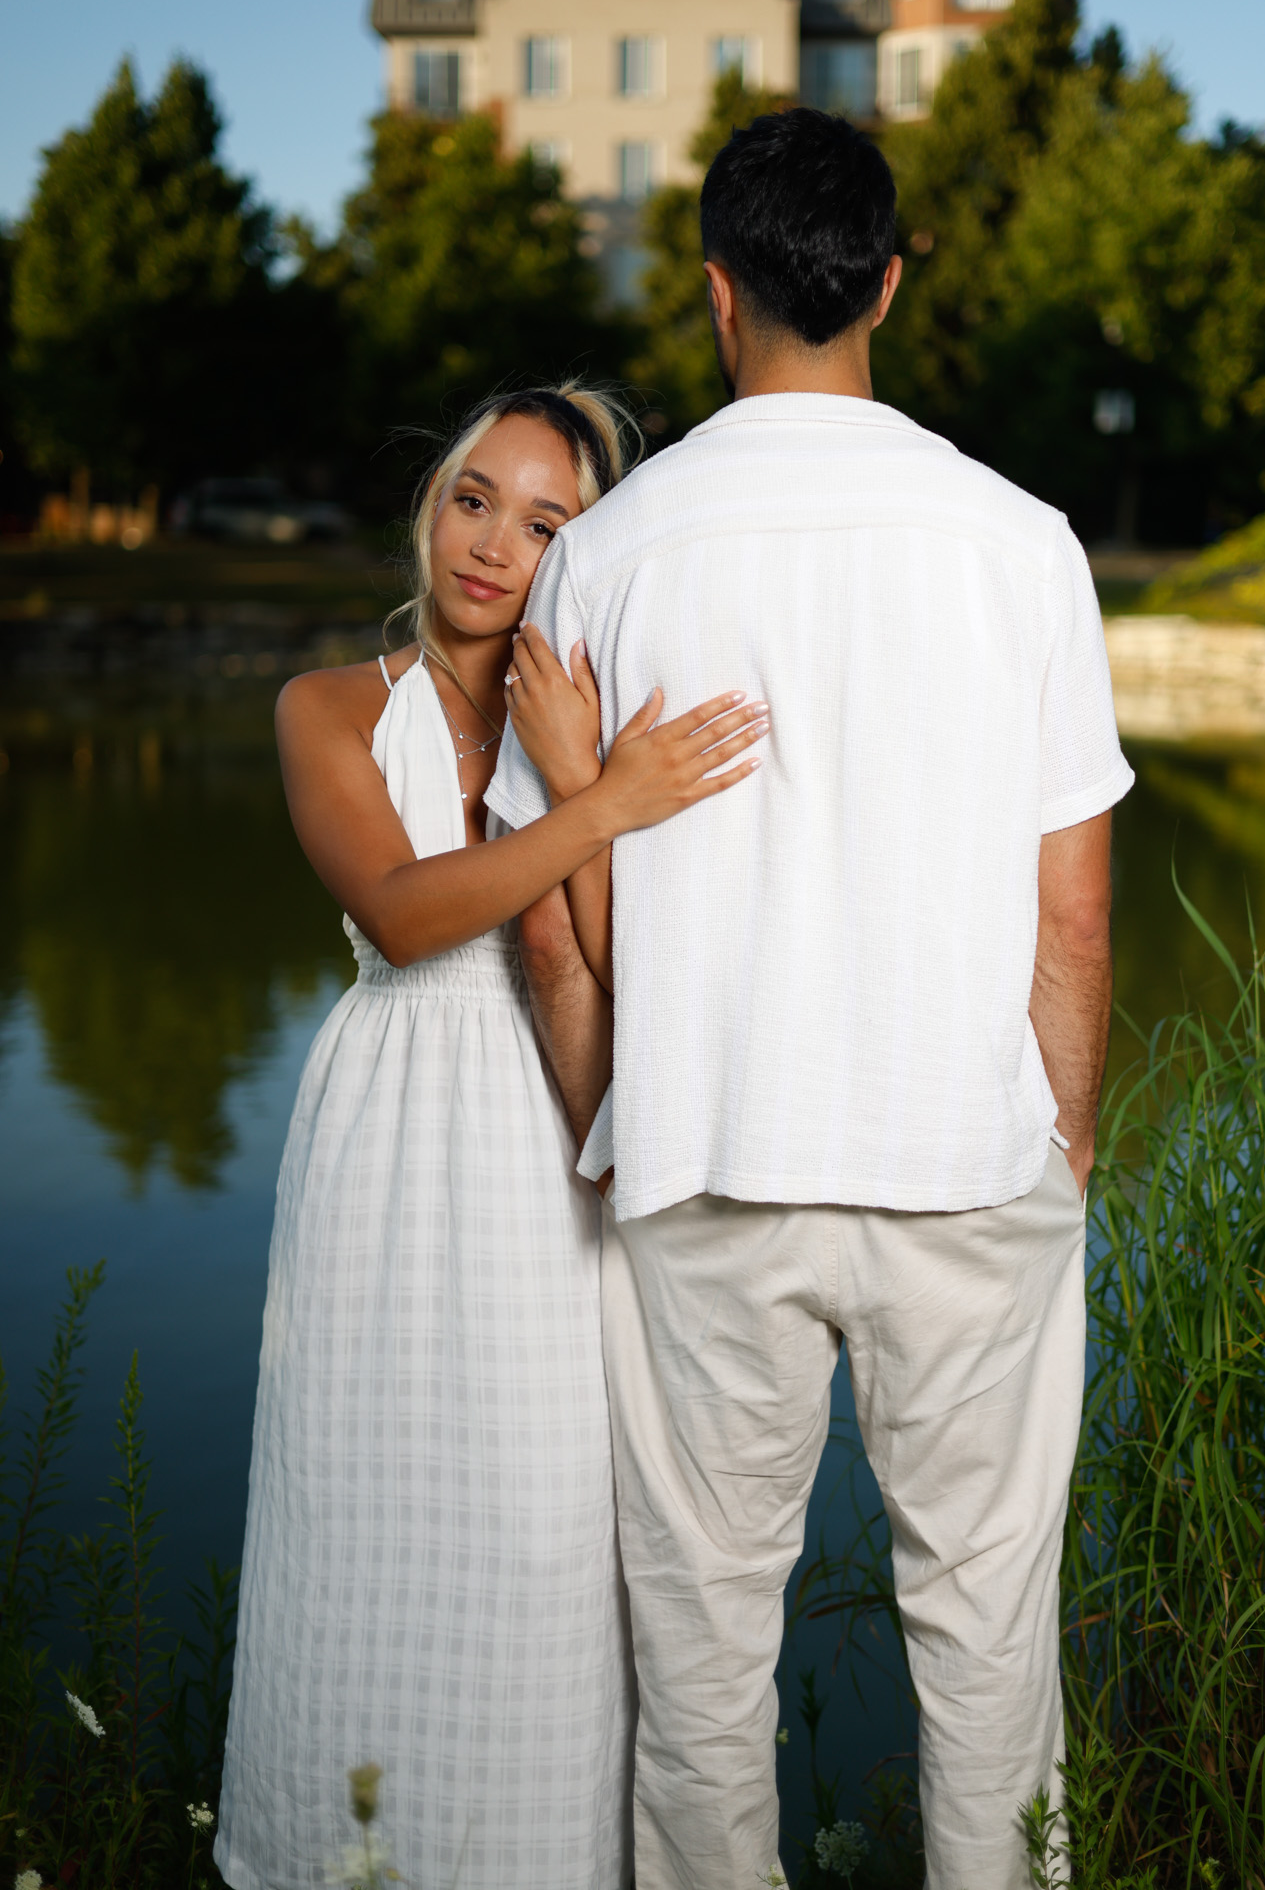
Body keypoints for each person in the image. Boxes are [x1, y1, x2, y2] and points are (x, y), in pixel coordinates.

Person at [487, 114, 1135, 1890]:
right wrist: (1065, 1145)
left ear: (717, 294)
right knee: (987, 1628)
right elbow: (1072, 914)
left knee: (700, 1645)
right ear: (888, 285)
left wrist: (615, 1130)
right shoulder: (1022, 543)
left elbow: (550, 924)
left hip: (706, 1156)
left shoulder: (609, 554)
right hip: (967, 1163)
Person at [214, 384, 768, 1890]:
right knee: (362, 1499)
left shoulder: (592, 720)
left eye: (541, 524)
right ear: (432, 503)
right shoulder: (328, 706)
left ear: (580, 554)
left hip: (558, 1116)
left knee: (548, 1517)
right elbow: (403, 918)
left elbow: (630, 961)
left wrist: (585, 773)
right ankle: (340, 1852)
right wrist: (608, 805)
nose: (491, 544)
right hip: (391, 1133)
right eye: (474, 498)